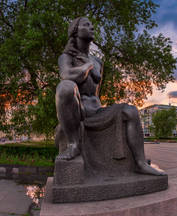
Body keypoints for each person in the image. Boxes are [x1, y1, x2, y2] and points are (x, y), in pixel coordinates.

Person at [55, 17, 163, 176]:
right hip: (79, 111)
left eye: (92, 25)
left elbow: (95, 91)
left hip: (97, 110)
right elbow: (66, 75)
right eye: (87, 25)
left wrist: (90, 64)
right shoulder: (66, 57)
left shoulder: (98, 61)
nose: (92, 27)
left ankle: (140, 163)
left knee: (130, 111)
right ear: (75, 31)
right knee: (65, 87)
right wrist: (86, 66)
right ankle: (74, 144)